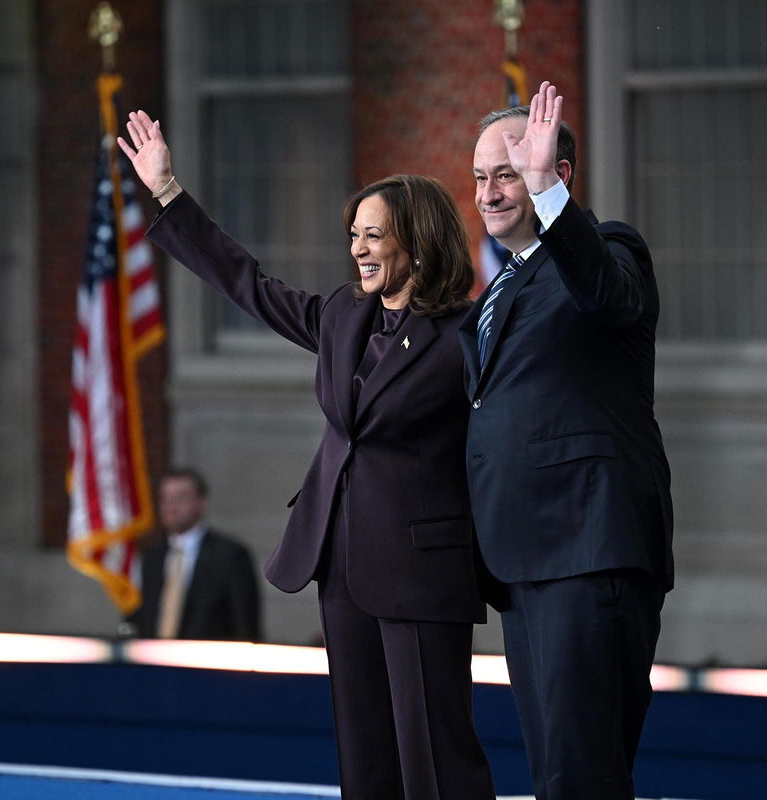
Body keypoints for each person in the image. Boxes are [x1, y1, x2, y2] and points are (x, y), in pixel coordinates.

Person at [119, 110, 495, 800]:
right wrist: (168, 190)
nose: (357, 249)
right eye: (353, 236)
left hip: (420, 572)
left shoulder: (464, 337)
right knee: (366, 760)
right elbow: (250, 286)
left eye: (373, 235)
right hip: (340, 564)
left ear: (416, 243)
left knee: (434, 759)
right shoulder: (344, 316)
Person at [462, 82, 674, 800]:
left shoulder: (611, 251)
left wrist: (545, 185)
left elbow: (606, 294)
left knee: (582, 776)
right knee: (558, 773)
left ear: (558, 173)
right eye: (481, 177)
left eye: (510, 171)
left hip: (588, 549)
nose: (490, 193)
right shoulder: (495, 293)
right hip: (522, 558)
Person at [126, 469, 261, 642]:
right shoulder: (151, 557)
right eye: (165, 498)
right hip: (154, 661)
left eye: (180, 498)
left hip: (206, 663)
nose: (171, 507)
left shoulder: (229, 555)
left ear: (201, 503)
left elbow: (245, 625)